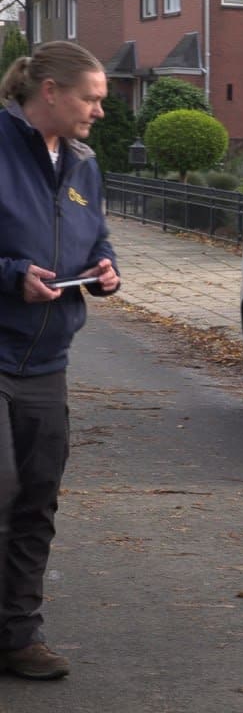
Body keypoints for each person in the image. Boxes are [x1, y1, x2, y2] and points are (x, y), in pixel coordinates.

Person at [0, 41, 120, 681]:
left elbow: (95, 237)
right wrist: (11, 276)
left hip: (47, 360)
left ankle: (20, 636)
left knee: (37, 500)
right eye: (91, 98)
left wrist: (106, 270)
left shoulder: (83, 163)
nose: (100, 111)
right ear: (49, 91)